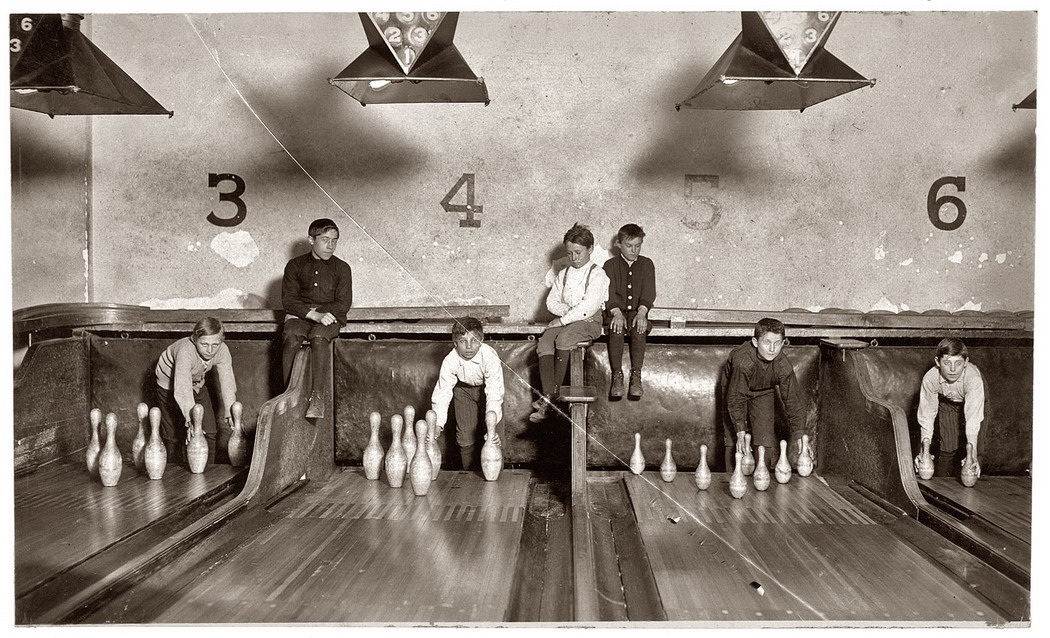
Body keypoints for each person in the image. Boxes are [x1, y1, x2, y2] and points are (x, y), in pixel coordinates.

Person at [529, 223, 610, 423]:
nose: (574, 258)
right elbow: (551, 303)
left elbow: (589, 307)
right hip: (570, 319)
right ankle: (548, 395)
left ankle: (552, 401)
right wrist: (568, 313)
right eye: (570, 253)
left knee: (564, 338)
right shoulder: (564, 274)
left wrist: (565, 318)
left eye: (578, 252)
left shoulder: (598, 274)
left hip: (589, 321)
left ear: (590, 249)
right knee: (546, 341)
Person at [282, 218, 353, 419]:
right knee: (292, 335)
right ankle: (287, 394)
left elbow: (343, 303)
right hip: (302, 315)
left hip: (330, 318)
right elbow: (289, 300)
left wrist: (323, 315)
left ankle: (318, 397)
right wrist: (313, 314)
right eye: (324, 240)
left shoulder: (342, 268)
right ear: (311, 240)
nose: (330, 245)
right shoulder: (295, 265)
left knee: (319, 337)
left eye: (334, 240)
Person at [722, 317, 806, 471]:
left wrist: (801, 435)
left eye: (777, 343)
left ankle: (762, 476)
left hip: (764, 391)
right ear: (755, 342)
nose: (772, 349)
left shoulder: (783, 366)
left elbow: (793, 400)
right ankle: (731, 479)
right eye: (767, 343)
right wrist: (740, 430)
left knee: (765, 439)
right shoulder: (743, 363)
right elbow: (735, 399)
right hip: (733, 389)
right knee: (735, 440)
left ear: (783, 343)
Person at [154, 317, 237, 466]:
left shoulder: (223, 350)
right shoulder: (186, 351)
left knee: (210, 431)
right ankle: (173, 476)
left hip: (196, 383)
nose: (210, 350)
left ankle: (210, 470)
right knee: (173, 435)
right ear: (194, 339)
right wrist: (190, 419)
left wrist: (231, 410)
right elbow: (182, 388)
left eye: (215, 344)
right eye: (204, 344)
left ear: (222, 341)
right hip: (169, 385)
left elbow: (228, 381)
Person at [430, 317, 505, 470]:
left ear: (482, 340)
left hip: (487, 392)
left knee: (494, 438)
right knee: (465, 439)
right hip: (463, 391)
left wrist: (492, 427)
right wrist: (437, 425)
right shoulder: (449, 361)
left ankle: (496, 479)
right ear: (455, 343)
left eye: (474, 340)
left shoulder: (490, 357)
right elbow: (442, 393)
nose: (469, 346)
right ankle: (469, 480)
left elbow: (494, 393)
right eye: (463, 341)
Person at [916, 337, 985, 477]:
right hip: (947, 400)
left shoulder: (974, 380)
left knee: (974, 450)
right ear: (937, 362)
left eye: (958, 363)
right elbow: (926, 416)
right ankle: (941, 485)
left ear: (966, 362)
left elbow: (972, 419)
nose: (953, 370)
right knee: (947, 446)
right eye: (947, 363)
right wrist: (924, 451)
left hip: (974, 400)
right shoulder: (930, 378)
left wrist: (972, 454)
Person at [603, 223, 656, 399]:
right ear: (618, 244)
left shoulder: (647, 264)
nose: (634, 250)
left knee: (639, 328)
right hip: (615, 311)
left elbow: (649, 293)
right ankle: (617, 376)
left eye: (638, 246)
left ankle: (636, 376)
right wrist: (616, 313)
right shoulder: (610, 265)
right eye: (629, 246)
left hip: (637, 311)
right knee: (616, 329)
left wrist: (642, 313)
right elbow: (608, 294)